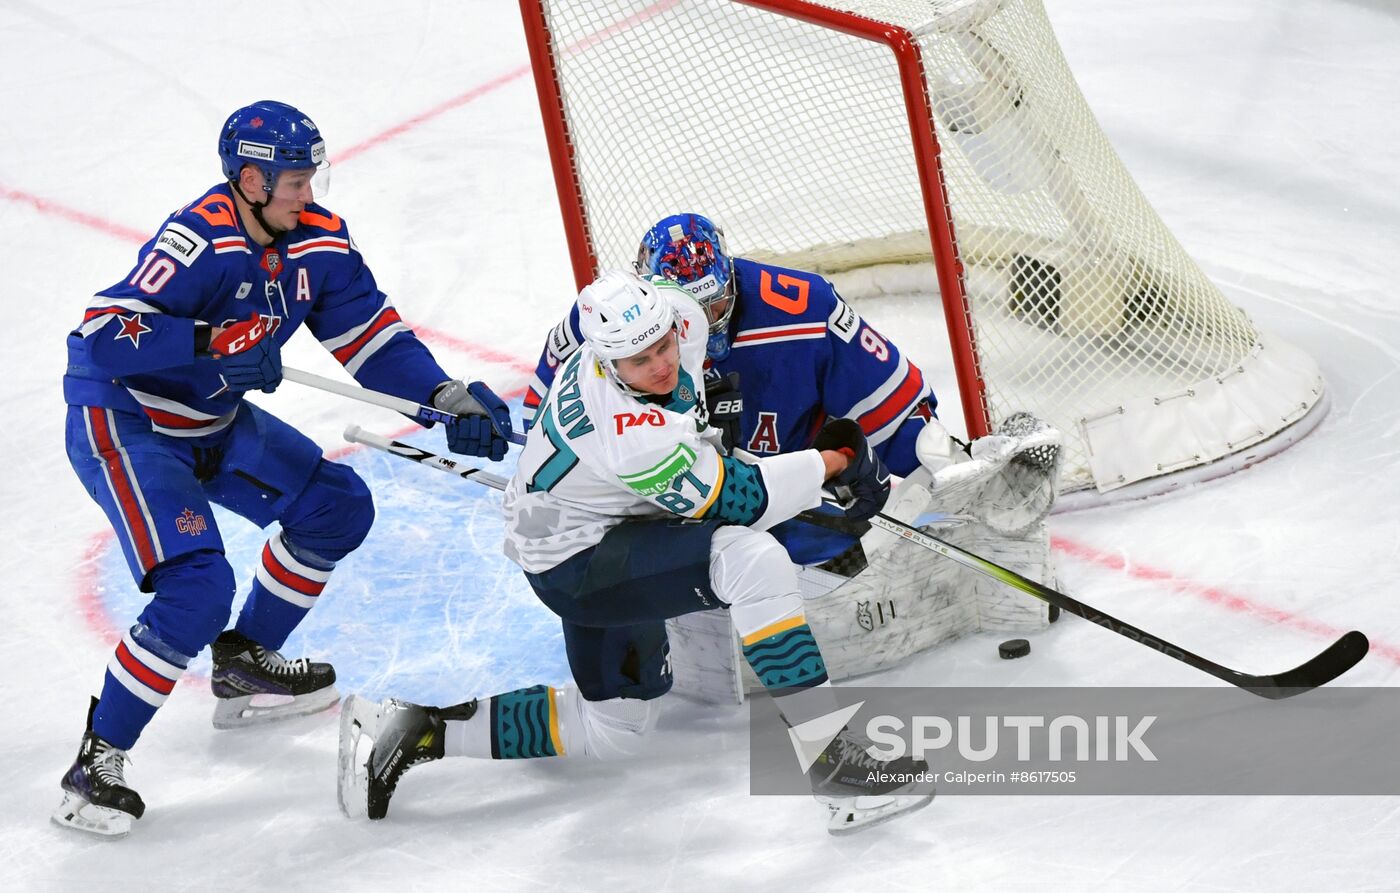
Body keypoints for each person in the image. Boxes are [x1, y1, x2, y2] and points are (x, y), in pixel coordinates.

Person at [54, 100, 513, 838]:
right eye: (296, 180)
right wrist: (206, 338)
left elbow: (370, 335)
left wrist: (438, 395)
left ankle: (243, 664)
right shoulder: (199, 237)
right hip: (130, 422)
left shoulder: (320, 242)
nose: (310, 192)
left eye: (311, 176)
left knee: (336, 506)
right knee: (197, 588)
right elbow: (102, 333)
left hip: (215, 422)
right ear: (250, 179)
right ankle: (95, 764)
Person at [339, 270, 933, 835]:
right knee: (753, 560)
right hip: (578, 566)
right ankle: (837, 770)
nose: (661, 366)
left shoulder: (669, 322)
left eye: (662, 346)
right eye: (639, 361)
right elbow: (743, 500)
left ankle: (416, 728)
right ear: (606, 361)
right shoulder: (635, 440)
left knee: (616, 728)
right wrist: (834, 464)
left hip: (601, 526)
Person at [523, 212, 943, 568]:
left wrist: (940, 469)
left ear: (730, 275)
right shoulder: (603, 325)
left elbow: (893, 405)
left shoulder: (804, 308)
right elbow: (538, 425)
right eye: (690, 311)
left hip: (785, 500)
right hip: (660, 510)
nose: (706, 322)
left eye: (717, 304)